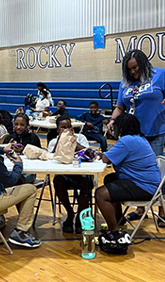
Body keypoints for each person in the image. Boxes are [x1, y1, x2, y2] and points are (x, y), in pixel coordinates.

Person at [107, 49, 165, 224]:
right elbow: (120, 107)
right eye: (129, 70)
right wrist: (112, 120)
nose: (133, 72)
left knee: (156, 172)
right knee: (131, 171)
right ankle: (141, 209)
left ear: (144, 63)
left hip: (156, 131)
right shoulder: (125, 83)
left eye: (135, 68)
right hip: (133, 137)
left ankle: (163, 210)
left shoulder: (160, 75)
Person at [96, 113, 160, 242]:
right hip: (148, 183)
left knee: (100, 194)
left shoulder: (127, 141)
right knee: (110, 179)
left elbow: (106, 159)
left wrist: (104, 153)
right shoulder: (138, 138)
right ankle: (119, 220)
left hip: (144, 187)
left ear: (121, 128)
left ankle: (114, 231)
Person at [48, 115, 92, 234]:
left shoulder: (81, 138)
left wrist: (74, 142)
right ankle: (70, 213)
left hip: (80, 173)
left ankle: (79, 217)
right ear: (57, 129)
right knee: (58, 181)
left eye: (68, 127)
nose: (66, 130)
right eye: (63, 128)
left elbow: (89, 154)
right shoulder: (53, 141)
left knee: (86, 183)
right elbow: (50, 157)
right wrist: (60, 140)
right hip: (64, 174)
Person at [4, 113, 41, 184]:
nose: (18, 127)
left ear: (27, 126)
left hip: (29, 171)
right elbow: (4, 156)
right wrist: (9, 148)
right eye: (16, 124)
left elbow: (39, 155)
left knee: (16, 180)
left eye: (22, 125)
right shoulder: (9, 138)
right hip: (11, 169)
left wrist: (24, 150)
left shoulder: (33, 138)